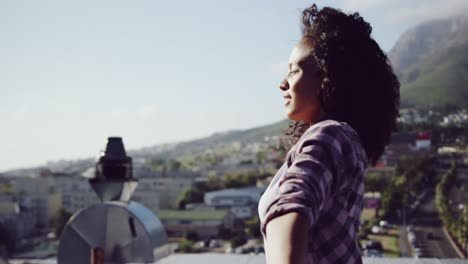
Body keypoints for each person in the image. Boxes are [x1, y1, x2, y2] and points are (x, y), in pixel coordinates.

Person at [257, 4, 400, 264]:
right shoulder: (340, 138)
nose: (282, 83)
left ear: (328, 79)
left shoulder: (331, 135)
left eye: (294, 69)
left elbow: (290, 209)